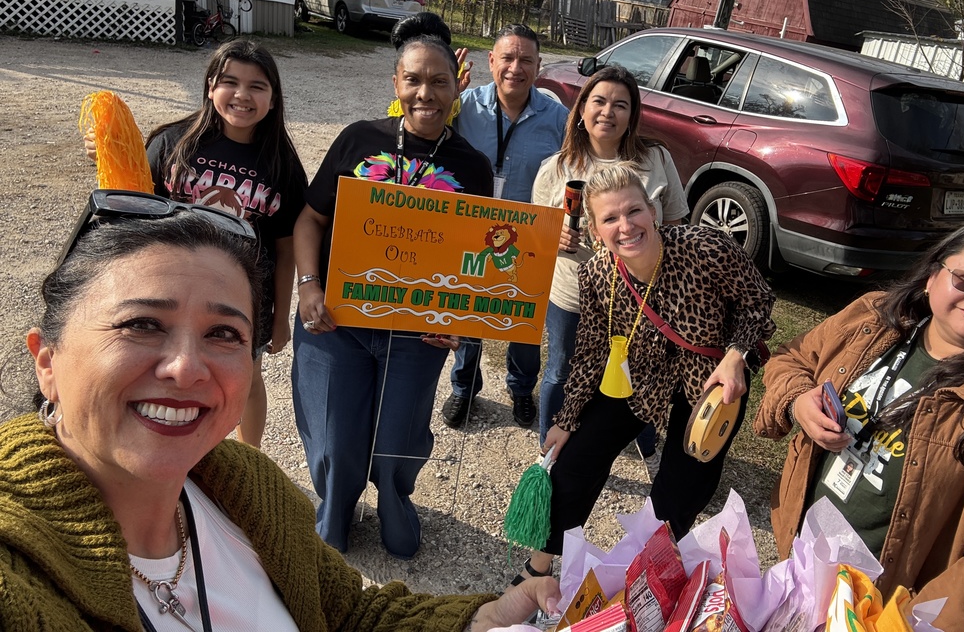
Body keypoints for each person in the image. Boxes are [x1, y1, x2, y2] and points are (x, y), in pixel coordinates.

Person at [0, 192, 558, 630]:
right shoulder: (18, 574)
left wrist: (477, 621)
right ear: (46, 359)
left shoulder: (249, 489)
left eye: (223, 333)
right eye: (142, 325)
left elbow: (345, 617)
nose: (187, 369)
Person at [754, 218, 964, 631]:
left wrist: (902, 623)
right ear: (933, 277)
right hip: (803, 561)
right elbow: (793, 358)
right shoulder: (873, 319)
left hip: (889, 608)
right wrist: (796, 401)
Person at [515, 164, 776, 584]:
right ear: (596, 231)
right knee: (576, 460)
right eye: (610, 218)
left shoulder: (706, 249)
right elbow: (590, 353)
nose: (626, 226)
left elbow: (758, 303)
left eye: (633, 210)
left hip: (710, 381)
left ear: (653, 210)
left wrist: (736, 354)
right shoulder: (597, 274)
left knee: (680, 487)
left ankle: (645, 581)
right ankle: (539, 568)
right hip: (639, 377)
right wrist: (566, 421)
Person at [292, 34, 493, 559]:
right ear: (396, 83)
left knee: (399, 440)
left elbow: (475, 261)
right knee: (335, 440)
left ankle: (394, 502)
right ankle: (334, 513)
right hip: (339, 318)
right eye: (414, 79)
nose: (425, 92)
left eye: (439, 81)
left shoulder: (472, 168)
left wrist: (457, 320)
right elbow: (311, 219)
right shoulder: (359, 140)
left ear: (457, 88)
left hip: (416, 333)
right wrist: (308, 286)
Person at [85, 39, 307, 450]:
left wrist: (280, 317)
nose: (242, 95)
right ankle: (163, 444)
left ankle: (248, 455)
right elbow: (131, 204)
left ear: (274, 99)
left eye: (257, 86)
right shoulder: (173, 142)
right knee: (166, 366)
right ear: (209, 87)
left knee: (245, 375)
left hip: (242, 291)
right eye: (229, 82)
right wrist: (109, 156)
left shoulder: (283, 165)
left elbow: (285, 245)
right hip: (168, 283)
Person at [532, 65, 688, 476]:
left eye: (621, 104)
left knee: (643, 370)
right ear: (581, 109)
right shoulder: (557, 168)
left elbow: (677, 223)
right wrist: (551, 239)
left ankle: (644, 438)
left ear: (632, 114)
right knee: (562, 369)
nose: (608, 112)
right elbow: (531, 238)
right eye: (598, 101)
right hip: (572, 293)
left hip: (641, 296)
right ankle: (549, 447)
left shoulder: (655, 160)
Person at [442, 23, 569, 430]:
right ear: (492, 61)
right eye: (508, 58)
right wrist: (445, 95)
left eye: (526, 60)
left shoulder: (558, 118)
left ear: (538, 66)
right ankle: (464, 386)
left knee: (524, 322)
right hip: (470, 232)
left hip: (529, 236)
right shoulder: (463, 105)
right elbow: (423, 134)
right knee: (467, 311)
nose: (516, 67)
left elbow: (573, 172)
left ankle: (520, 388)